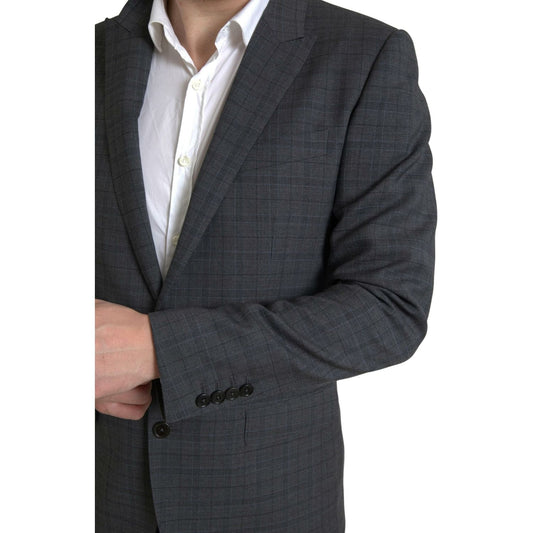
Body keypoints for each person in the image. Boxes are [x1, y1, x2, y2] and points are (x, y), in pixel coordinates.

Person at [95, 0, 436, 531]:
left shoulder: (364, 57)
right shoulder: (85, 56)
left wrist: (160, 349)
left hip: (269, 501)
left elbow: (389, 308)